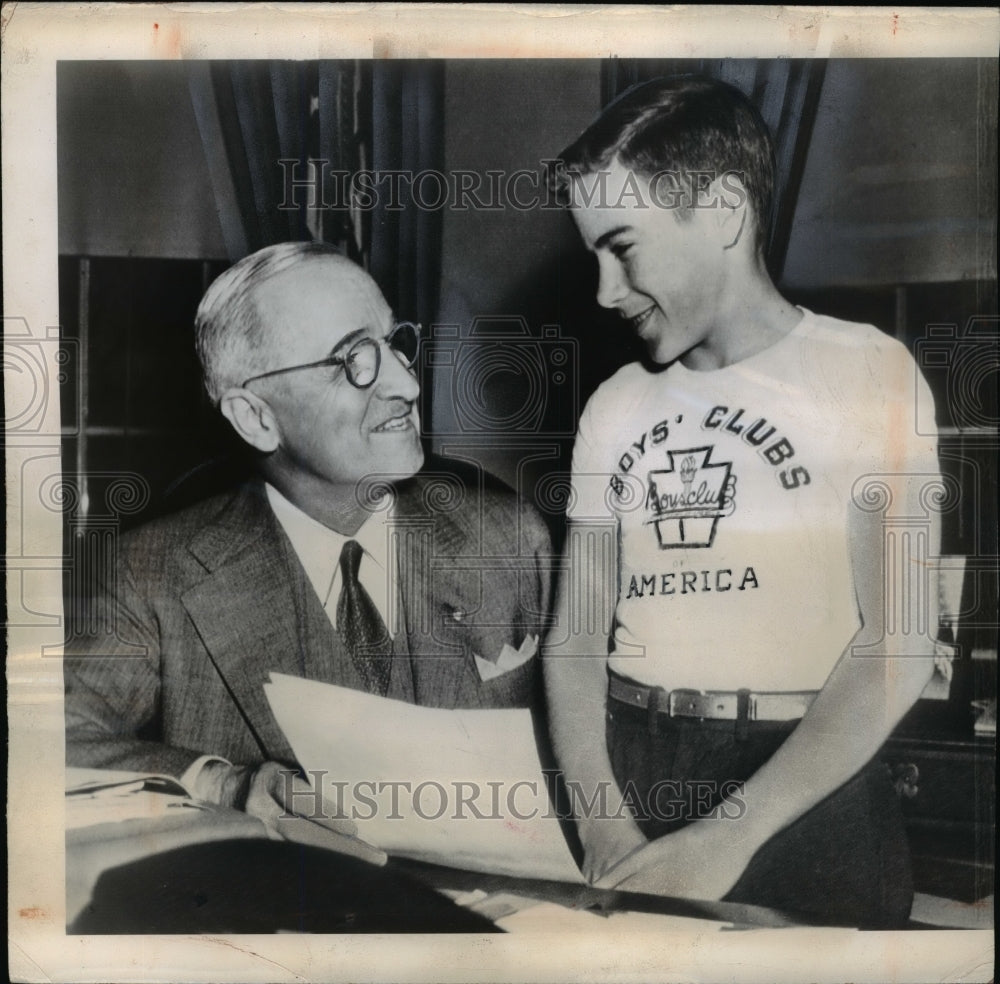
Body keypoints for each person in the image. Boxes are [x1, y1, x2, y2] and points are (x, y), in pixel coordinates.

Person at [543, 76, 945, 927]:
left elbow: (899, 644)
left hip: (809, 785)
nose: (606, 292)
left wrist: (729, 836)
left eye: (624, 248)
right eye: (593, 258)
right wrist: (604, 822)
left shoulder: (868, 373)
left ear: (724, 210)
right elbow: (575, 640)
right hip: (634, 764)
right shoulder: (616, 404)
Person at [65, 242, 552, 858]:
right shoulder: (149, 574)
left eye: (396, 343)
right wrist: (225, 785)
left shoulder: (508, 539)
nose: (406, 382)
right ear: (255, 417)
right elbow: (46, 742)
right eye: (354, 360)